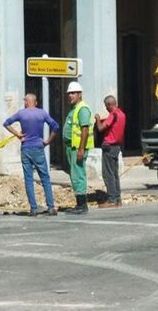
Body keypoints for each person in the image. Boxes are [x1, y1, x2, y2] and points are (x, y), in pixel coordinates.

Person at [3, 93, 60, 216]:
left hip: (26, 148)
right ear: (36, 102)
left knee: (29, 179)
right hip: (39, 148)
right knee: (45, 178)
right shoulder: (42, 113)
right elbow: (55, 126)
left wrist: (18, 134)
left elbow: (6, 123)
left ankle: (33, 209)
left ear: (25, 102)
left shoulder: (21, 113)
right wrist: (48, 141)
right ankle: (51, 207)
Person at [63, 81, 93, 215]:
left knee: (78, 175)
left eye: (73, 93)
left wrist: (81, 149)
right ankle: (79, 203)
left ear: (80, 94)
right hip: (72, 147)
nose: (70, 96)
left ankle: (82, 205)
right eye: (69, 93)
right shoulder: (75, 109)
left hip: (77, 148)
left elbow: (85, 130)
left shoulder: (82, 109)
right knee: (74, 175)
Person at [94, 95, 126, 208]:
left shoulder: (113, 114)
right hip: (117, 146)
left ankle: (112, 199)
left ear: (109, 105)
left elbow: (101, 128)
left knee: (108, 174)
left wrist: (98, 119)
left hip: (109, 146)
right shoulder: (122, 114)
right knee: (115, 174)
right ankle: (118, 199)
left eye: (106, 106)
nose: (106, 109)